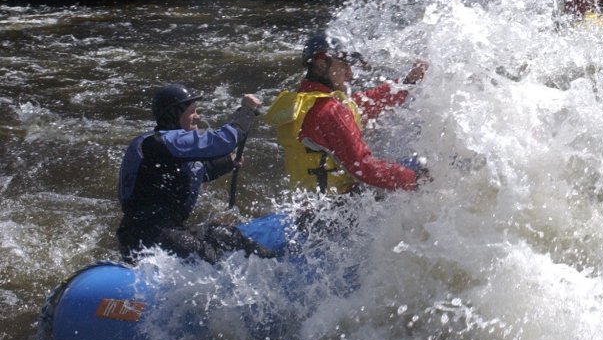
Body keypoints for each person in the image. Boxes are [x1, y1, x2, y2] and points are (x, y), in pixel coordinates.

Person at [117, 84, 275, 263]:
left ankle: (276, 264)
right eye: (192, 111)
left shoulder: (171, 148)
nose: (197, 117)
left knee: (230, 236)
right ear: (174, 114)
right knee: (211, 256)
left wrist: (227, 163)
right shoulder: (159, 143)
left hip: (171, 231)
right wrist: (246, 111)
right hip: (145, 236)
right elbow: (224, 141)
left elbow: (196, 171)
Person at [266, 32, 430, 195]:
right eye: (344, 65)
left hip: (310, 207)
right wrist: (416, 179)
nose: (350, 74)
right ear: (321, 63)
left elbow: (367, 103)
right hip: (338, 211)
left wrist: (408, 82)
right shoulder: (329, 111)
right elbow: (364, 167)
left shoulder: (304, 102)